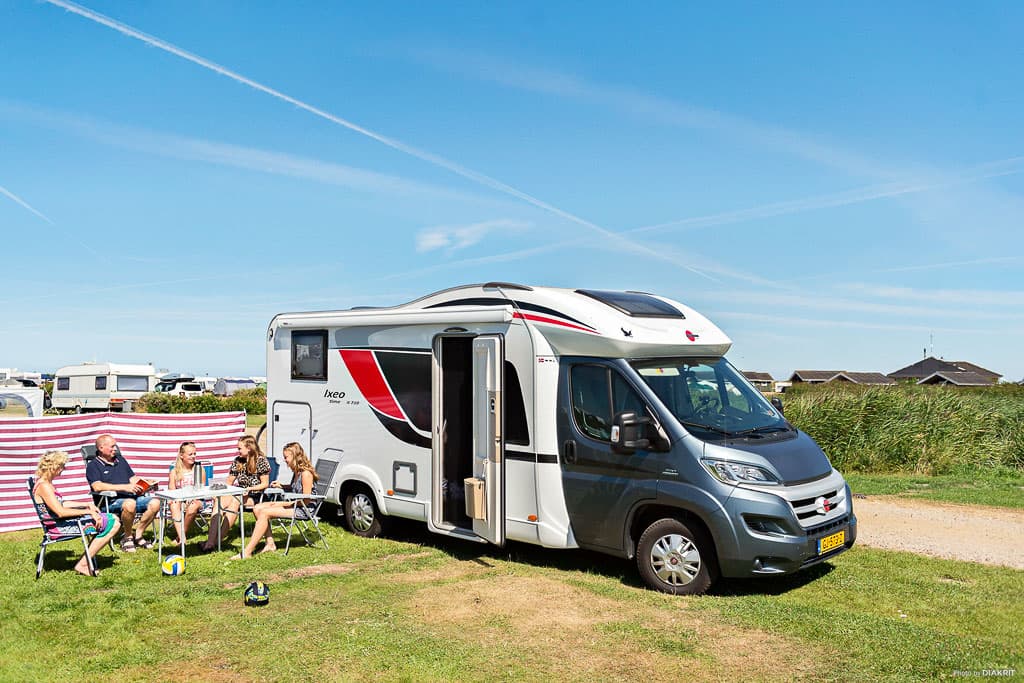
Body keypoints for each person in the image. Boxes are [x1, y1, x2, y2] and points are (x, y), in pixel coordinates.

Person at [33, 449, 121, 576]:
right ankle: (83, 564)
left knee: (112, 518)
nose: (63, 469)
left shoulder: (45, 483)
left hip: (61, 523)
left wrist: (87, 505)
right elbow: (61, 512)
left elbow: (61, 503)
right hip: (59, 527)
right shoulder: (44, 486)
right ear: (53, 466)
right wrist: (88, 512)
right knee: (113, 523)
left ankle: (86, 560)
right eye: (61, 466)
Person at [233, 442, 317, 559]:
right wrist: (283, 486)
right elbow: (296, 488)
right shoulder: (297, 472)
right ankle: (270, 543)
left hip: (304, 509)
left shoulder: (306, 474)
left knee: (265, 512)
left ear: (295, 456)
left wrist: (285, 503)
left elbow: (306, 499)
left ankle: (247, 551)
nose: (285, 460)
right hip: (296, 504)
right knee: (258, 507)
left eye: (286, 457)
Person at [85, 434, 161, 553]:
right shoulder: (93, 466)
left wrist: (147, 482)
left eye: (115, 446)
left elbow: (133, 479)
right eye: (112, 446)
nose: (115, 449)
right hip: (109, 501)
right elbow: (97, 486)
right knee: (129, 504)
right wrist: (124, 488)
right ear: (101, 448)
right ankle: (127, 537)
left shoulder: (120, 460)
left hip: (131, 498)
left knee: (156, 502)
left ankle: (138, 535)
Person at [201, 435, 269, 552]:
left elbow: (265, 484)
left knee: (235, 501)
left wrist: (249, 488)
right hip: (239, 493)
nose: (238, 451)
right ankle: (211, 541)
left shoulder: (261, 461)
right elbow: (229, 481)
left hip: (255, 495)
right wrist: (219, 491)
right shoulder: (238, 461)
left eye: (239, 448)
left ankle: (217, 541)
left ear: (249, 448)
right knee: (219, 500)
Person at [166, 441, 207, 545]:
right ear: (181, 455)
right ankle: (183, 538)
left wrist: (192, 497)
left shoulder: (199, 469)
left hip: (197, 499)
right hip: (180, 499)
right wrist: (180, 498)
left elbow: (201, 490)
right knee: (174, 503)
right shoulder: (174, 472)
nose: (193, 456)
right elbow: (172, 491)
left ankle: (180, 537)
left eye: (195, 454)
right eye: (190, 454)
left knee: (193, 506)